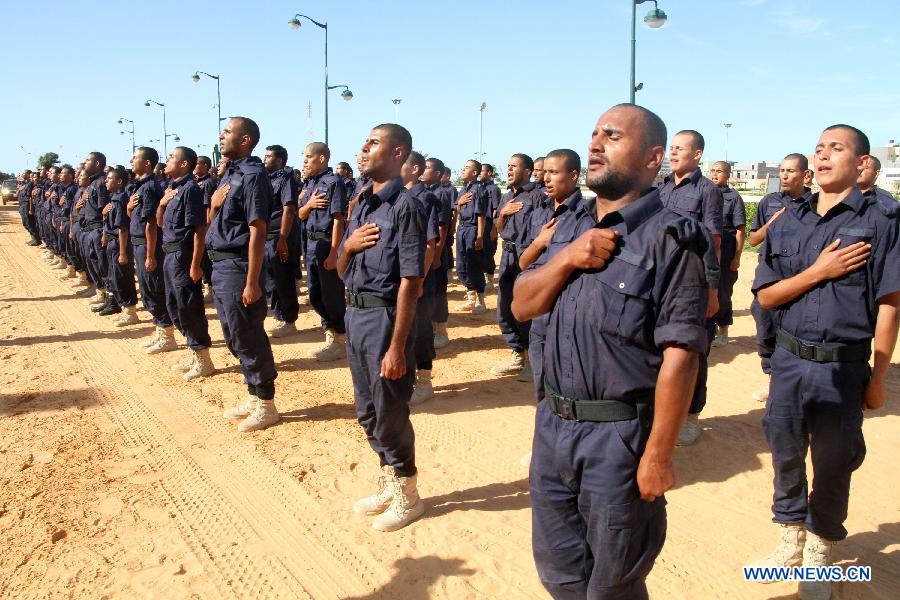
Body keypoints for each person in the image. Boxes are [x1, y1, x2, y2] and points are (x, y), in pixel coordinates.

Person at [512, 104, 710, 599]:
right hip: (553, 429)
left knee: (613, 584)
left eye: (612, 135)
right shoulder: (572, 224)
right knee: (560, 573)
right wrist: (568, 260)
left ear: (652, 157)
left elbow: (681, 355)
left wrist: (659, 455)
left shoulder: (670, 238)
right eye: (594, 134)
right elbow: (521, 303)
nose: (596, 144)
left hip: (617, 442)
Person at [751, 124, 899, 600]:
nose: (823, 155)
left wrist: (878, 376)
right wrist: (820, 272)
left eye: (837, 148)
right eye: (819, 148)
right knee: (785, 449)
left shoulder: (880, 221)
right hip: (791, 363)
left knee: (835, 460)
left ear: (860, 165)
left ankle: (820, 549)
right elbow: (768, 296)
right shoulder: (790, 221)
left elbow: (890, 303)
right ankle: (790, 536)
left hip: (844, 365)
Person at [338, 123, 427, 532]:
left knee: (390, 410)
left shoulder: (405, 206)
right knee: (367, 409)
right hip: (355, 317)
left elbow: (412, 280)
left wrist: (397, 347)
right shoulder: (361, 205)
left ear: (398, 154)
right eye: (365, 141)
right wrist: (348, 246)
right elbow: (340, 270)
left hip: (384, 319)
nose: (363, 148)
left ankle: (408, 494)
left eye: (373, 142)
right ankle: (390, 479)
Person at [210, 117, 280, 432]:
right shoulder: (231, 174)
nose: (221, 136)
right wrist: (213, 203)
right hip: (222, 265)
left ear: (245, 140)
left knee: (248, 334)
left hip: (239, 267)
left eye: (227, 132)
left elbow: (257, 230)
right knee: (233, 334)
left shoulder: (252, 176)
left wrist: (253, 281)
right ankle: (253, 394)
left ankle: (266, 404)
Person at [658, 130, 723, 446]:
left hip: (691, 284)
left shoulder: (707, 191)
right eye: (671, 148)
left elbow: (714, 241)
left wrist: (711, 290)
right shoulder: (662, 187)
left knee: (693, 351)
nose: (673, 153)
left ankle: (692, 416)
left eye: (679, 149)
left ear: (697, 154)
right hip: (659, 281)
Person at [517, 149, 584, 409]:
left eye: (554, 173)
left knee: (569, 388)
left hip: (569, 316)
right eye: (545, 173)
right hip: (540, 316)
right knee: (540, 384)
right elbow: (523, 261)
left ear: (574, 175)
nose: (546, 178)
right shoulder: (540, 213)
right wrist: (539, 242)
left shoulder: (586, 218)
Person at [748, 154, 813, 402]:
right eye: (782, 171)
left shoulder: (816, 204)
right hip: (770, 278)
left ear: (806, 175)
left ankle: (794, 385)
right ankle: (773, 378)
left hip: (800, 279)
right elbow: (754, 240)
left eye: (790, 171)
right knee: (766, 328)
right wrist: (771, 224)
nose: (784, 176)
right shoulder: (770, 202)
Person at [158, 147, 215, 380]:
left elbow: (199, 230)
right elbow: (161, 223)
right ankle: (193, 352)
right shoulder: (172, 189)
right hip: (169, 255)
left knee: (189, 307)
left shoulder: (191, 189)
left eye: (172, 157)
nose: (167, 160)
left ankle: (203, 359)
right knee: (174, 306)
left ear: (183, 164)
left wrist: (195, 264)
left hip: (183, 257)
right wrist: (162, 203)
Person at [491, 153, 542, 381]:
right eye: (508, 166)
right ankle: (517, 354)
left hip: (527, 259)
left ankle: (532, 360)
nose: (509, 170)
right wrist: (502, 214)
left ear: (528, 171)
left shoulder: (538, 197)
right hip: (507, 256)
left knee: (526, 309)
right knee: (505, 307)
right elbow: (498, 231)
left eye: (513, 166)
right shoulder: (506, 197)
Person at [298, 142, 348, 360]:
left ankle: (339, 339)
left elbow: (339, 220)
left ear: (321, 158)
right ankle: (330, 334)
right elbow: (300, 215)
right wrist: (308, 205)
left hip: (327, 243)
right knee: (315, 293)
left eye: (309, 157)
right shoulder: (311, 184)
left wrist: (334, 253)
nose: (305, 161)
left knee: (332, 294)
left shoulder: (334, 183)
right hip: (311, 245)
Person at [128, 147, 176, 352]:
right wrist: (129, 208)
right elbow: (136, 218)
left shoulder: (148, 187)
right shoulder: (140, 186)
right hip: (140, 243)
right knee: (147, 291)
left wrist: (150, 254)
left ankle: (167, 335)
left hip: (149, 246)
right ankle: (160, 331)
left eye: (136, 158)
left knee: (155, 290)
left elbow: (150, 224)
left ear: (147, 163)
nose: (131, 160)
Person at [402, 151, 441, 405]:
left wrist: (419, 281)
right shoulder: (396, 195)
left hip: (419, 275)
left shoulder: (425, 198)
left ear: (414, 169)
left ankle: (424, 380)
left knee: (420, 328)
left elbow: (430, 244)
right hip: (400, 274)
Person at [263, 144, 301, 338]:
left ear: (279, 160)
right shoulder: (266, 178)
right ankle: (279, 316)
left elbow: (288, 209)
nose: (265, 159)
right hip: (266, 237)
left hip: (280, 237)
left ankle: (289, 319)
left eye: (268, 156)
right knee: (271, 280)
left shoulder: (286, 178)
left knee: (283, 278)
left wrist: (283, 238)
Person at [708, 161, 745, 347]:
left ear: (728, 175)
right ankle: (709, 330)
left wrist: (737, 258)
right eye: (712, 171)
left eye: (719, 171)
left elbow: (740, 230)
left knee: (723, 293)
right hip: (707, 250)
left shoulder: (734, 197)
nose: (714, 174)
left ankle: (723, 330)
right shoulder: (705, 192)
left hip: (727, 251)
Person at [102, 166, 140, 326]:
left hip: (120, 244)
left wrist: (123, 252)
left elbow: (123, 228)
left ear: (119, 181)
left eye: (109, 178)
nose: (106, 181)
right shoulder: (114, 197)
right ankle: (125, 309)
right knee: (115, 277)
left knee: (123, 277)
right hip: (113, 241)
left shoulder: (120, 198)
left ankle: (131, 312)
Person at [77, 152, 111, 309]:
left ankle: (110, 298)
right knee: (93, 263)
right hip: (89, 229)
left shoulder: (101, 183)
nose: (85, 162)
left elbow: (105, 210)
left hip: (98, 230)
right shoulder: (92, 183)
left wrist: (105, 232)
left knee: (102, 265)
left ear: (97, 163)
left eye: (88, 160)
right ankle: (101, 292)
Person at [455, 160, 488, 313]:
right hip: (462, 228)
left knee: (474, 264)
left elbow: (481, 215)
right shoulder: (463, 190)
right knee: (462, 264)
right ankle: (470, 298)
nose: (463, 169)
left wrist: (480, 236)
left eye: (467, 167)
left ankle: (481, 301)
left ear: (475, 173)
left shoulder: (478, 190)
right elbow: (458, 211)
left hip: (473, 230)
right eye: (463, 167)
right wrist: (459, 204)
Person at [426, 159, 453, 349]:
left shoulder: (440, 194)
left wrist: (436, 254)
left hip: (436, 250)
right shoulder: (422, 192)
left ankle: (441, 330)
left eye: (427, 168)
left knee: (438, 291)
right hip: (426, 250)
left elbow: (443, 227)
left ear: (437, 173)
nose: (422, 171)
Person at [195, 155, 217, 303]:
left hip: (205, 225)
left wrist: (207, 226)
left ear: (205, 166)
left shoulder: (208, 183)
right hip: (199, 223)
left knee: (206, 259)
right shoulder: (199, 182)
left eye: (197, 163)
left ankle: (209, 287)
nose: (194, 166)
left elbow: (208, 206)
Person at [479, 164, 501, 290]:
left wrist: (494, 228)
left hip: (488, 224)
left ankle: (490, 279)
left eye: (482, 171)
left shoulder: (494, 189)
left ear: (489, 173)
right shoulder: (478, 187)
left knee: (488, 252)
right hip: (480, 224)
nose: (480, 174)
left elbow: (495, 210)